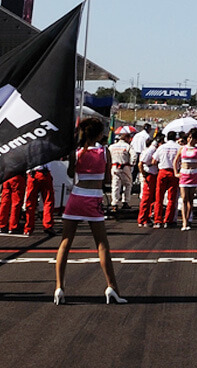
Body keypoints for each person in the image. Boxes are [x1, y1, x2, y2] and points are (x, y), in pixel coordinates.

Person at [54, 118, 125, 305]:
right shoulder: (104, 152)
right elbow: (108, 178)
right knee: (102, 244)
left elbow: (71, 173)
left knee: (65, 243)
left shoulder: (76, 153)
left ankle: (59, 287)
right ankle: (112, 287)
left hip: (76, 197)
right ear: (100, 134)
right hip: (94, 198)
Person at [175, 131, 197, 230]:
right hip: (184, 174)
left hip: (194, 175)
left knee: (190, 199)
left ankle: (188, 219)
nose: (191, 140)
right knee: (184, 198)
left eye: (193, 138)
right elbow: (175, 161)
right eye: (190, 137)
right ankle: (184, 222)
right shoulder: (182, 149)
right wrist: (176, 172)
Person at [151, 132, 181, 228]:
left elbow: (153, 161)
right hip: (173, 172)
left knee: (159, 197)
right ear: (176, 138)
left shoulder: (161, 147)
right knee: (172, 198)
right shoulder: (178, 147)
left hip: (162, 171)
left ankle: (158, 220)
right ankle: (168, 220)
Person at [136, 132, 163, 227]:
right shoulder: (150, 151)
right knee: (146, 198)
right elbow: (140, 163)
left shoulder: (154, 150)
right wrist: (144, 175)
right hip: (149, 175)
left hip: (153, 174)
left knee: (151, 198)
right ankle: (142, 219)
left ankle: (146, 218)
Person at [0, 161, 29, 234]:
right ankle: (13, 226)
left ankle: (1, 224)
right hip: (17, 176)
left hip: (7, 176)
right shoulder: (20, 154)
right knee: (16, 203)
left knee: (4, 202)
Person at [24, 162, 57, 235]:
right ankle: (48, 225)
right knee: (48, 200)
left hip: (32, 175)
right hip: (44, 173)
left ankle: (28, 228)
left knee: (30, 202)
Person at [106, 135, 134, 211]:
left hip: (114, 167)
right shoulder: (128, 146)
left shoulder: (112, 147)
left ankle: (114, 203)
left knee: (115, 185)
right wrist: (131, 164)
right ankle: (125, 202)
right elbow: (134, 156)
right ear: (126, 138)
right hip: (125, 167)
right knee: (128, 184)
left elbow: (107, 156)